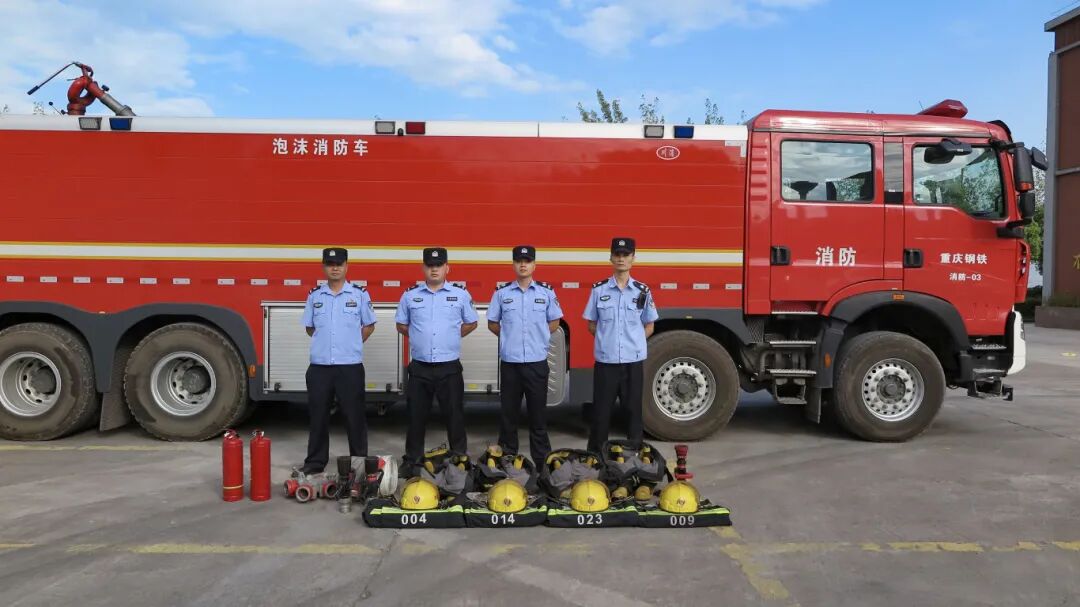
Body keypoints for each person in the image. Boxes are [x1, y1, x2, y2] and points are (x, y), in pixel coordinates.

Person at [395, 247, 479, 476]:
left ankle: (460, 460)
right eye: (430, 266)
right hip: (420, 367)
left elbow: (471, 322)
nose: (434, 269)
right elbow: (401, 325)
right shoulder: (410, 295)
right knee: (415, 418)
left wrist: (451, 336)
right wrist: (420, 336)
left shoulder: (460, 295)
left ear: (447, 268)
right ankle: (412, 462)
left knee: (455, 417)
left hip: (449, 367)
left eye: (439, 265)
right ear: (423, 268)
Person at [299, 247, 377, 474]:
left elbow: (369, 326)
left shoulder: (359, 294)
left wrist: (351, 344)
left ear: (346, 266)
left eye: (339, 264)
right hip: (320, 367)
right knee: (318, 418)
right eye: (330, 264)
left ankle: (358, 464)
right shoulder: (315, 296)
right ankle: (315, 463)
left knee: (355, 418)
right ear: (324, 267)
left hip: (349, 367)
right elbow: (310, 327)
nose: (335, 268)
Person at [487, 245, 563, 466]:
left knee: (538, 417)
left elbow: (555, 320)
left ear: (534, 265)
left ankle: (541, 460)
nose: (523, 264)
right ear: (513, 265)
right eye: (519, 261)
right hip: (511, 364)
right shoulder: (502, 293)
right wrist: (509, 337)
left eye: (527, 261)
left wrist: (539, 337)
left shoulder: (546, 293)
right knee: (508, 416)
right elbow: (493, 323)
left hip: (536, 363)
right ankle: (508, 457)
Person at [582, 237, 658, 453]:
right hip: (606, 363)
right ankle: (596, 457)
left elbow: (649, 325)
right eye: (617, 254)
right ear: (611, 258)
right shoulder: (599, 290)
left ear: (633, 258)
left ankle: (635, 456)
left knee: (633, 413)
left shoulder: (642, 291)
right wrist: (608, 341)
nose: (621, 259)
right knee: (601, 414)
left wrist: (634, 343)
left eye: (626, 255)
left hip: (632, 363)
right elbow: (591, 325)